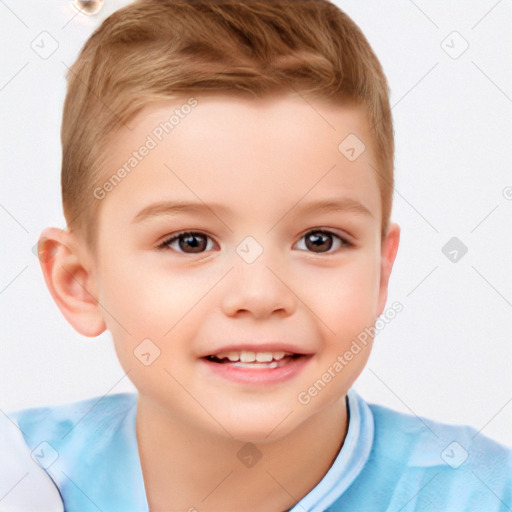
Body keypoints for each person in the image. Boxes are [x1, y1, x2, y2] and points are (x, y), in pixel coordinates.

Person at [3, 1, 511, 511]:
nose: (261, 295)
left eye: (320, 240)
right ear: (80, 282)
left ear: (381, 269)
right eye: (190, 242)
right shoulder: (21, 478)